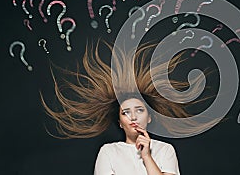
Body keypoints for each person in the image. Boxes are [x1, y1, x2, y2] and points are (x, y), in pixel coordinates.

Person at [40, 40, 218, 175]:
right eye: (126, 112)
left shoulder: (165, 150)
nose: (133, 117)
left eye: (139, 110)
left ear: (150, 117)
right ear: (120, 122)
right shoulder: (109, 151)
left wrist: (147, 156)